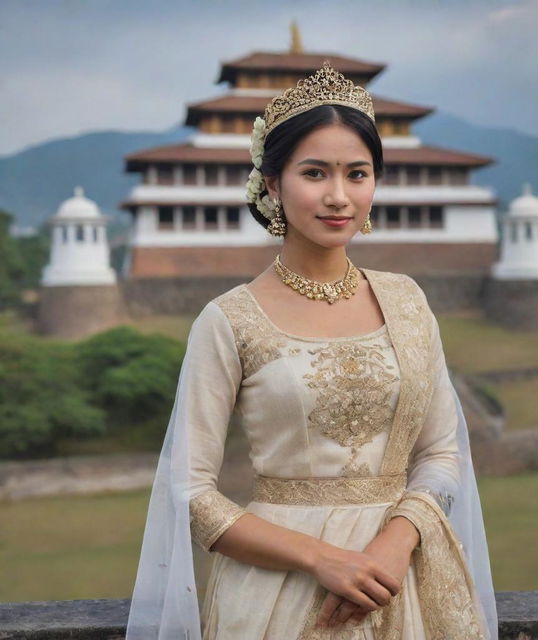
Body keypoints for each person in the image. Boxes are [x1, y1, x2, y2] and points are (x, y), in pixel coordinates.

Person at [126, 61, 498, 640]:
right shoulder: (229, 320)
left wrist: (396, 542)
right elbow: (190, 490)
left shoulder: (406, 301)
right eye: (315, 173)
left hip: (406, 583)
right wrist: (320, 559)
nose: (337, 196)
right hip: (280, 591)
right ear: (273, 183)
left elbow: (441, 452)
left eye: (357, 173)